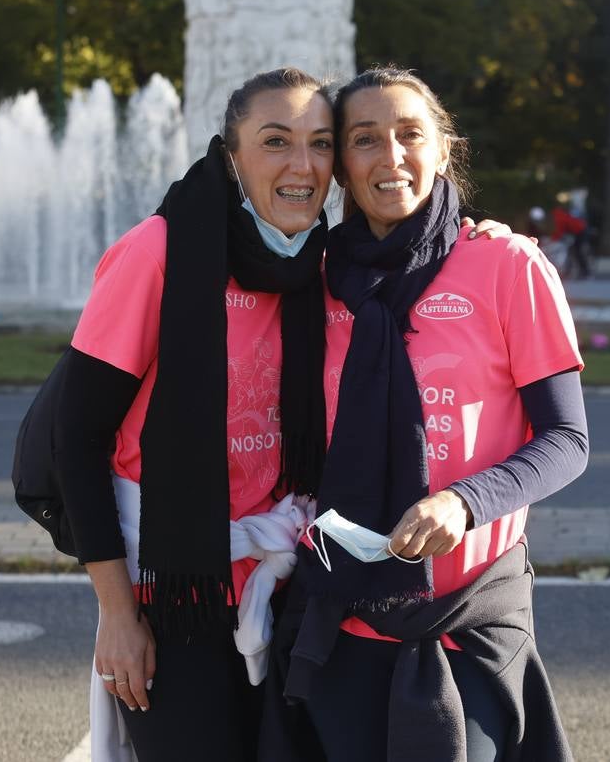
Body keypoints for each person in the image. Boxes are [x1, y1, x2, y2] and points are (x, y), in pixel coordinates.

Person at [52, 67, 508, 761]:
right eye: (275, 142)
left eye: (321, 143)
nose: (302, 165)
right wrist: (118, 615)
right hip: (175, 589)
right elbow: (74, 439)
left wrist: (472, 235)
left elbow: (415, 254)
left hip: (287, 584)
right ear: (233, 157)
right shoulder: (159, 253)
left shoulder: (319, 268)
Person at [262, 66, 590, 762]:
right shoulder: (311, 281)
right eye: (365, 140)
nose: (391, 157)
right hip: (342, 604)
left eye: (410, 134)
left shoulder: (507, 264)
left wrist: (464, 503)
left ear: (443, 148)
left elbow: (567, 440)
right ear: (341, 166)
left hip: (469, 612)